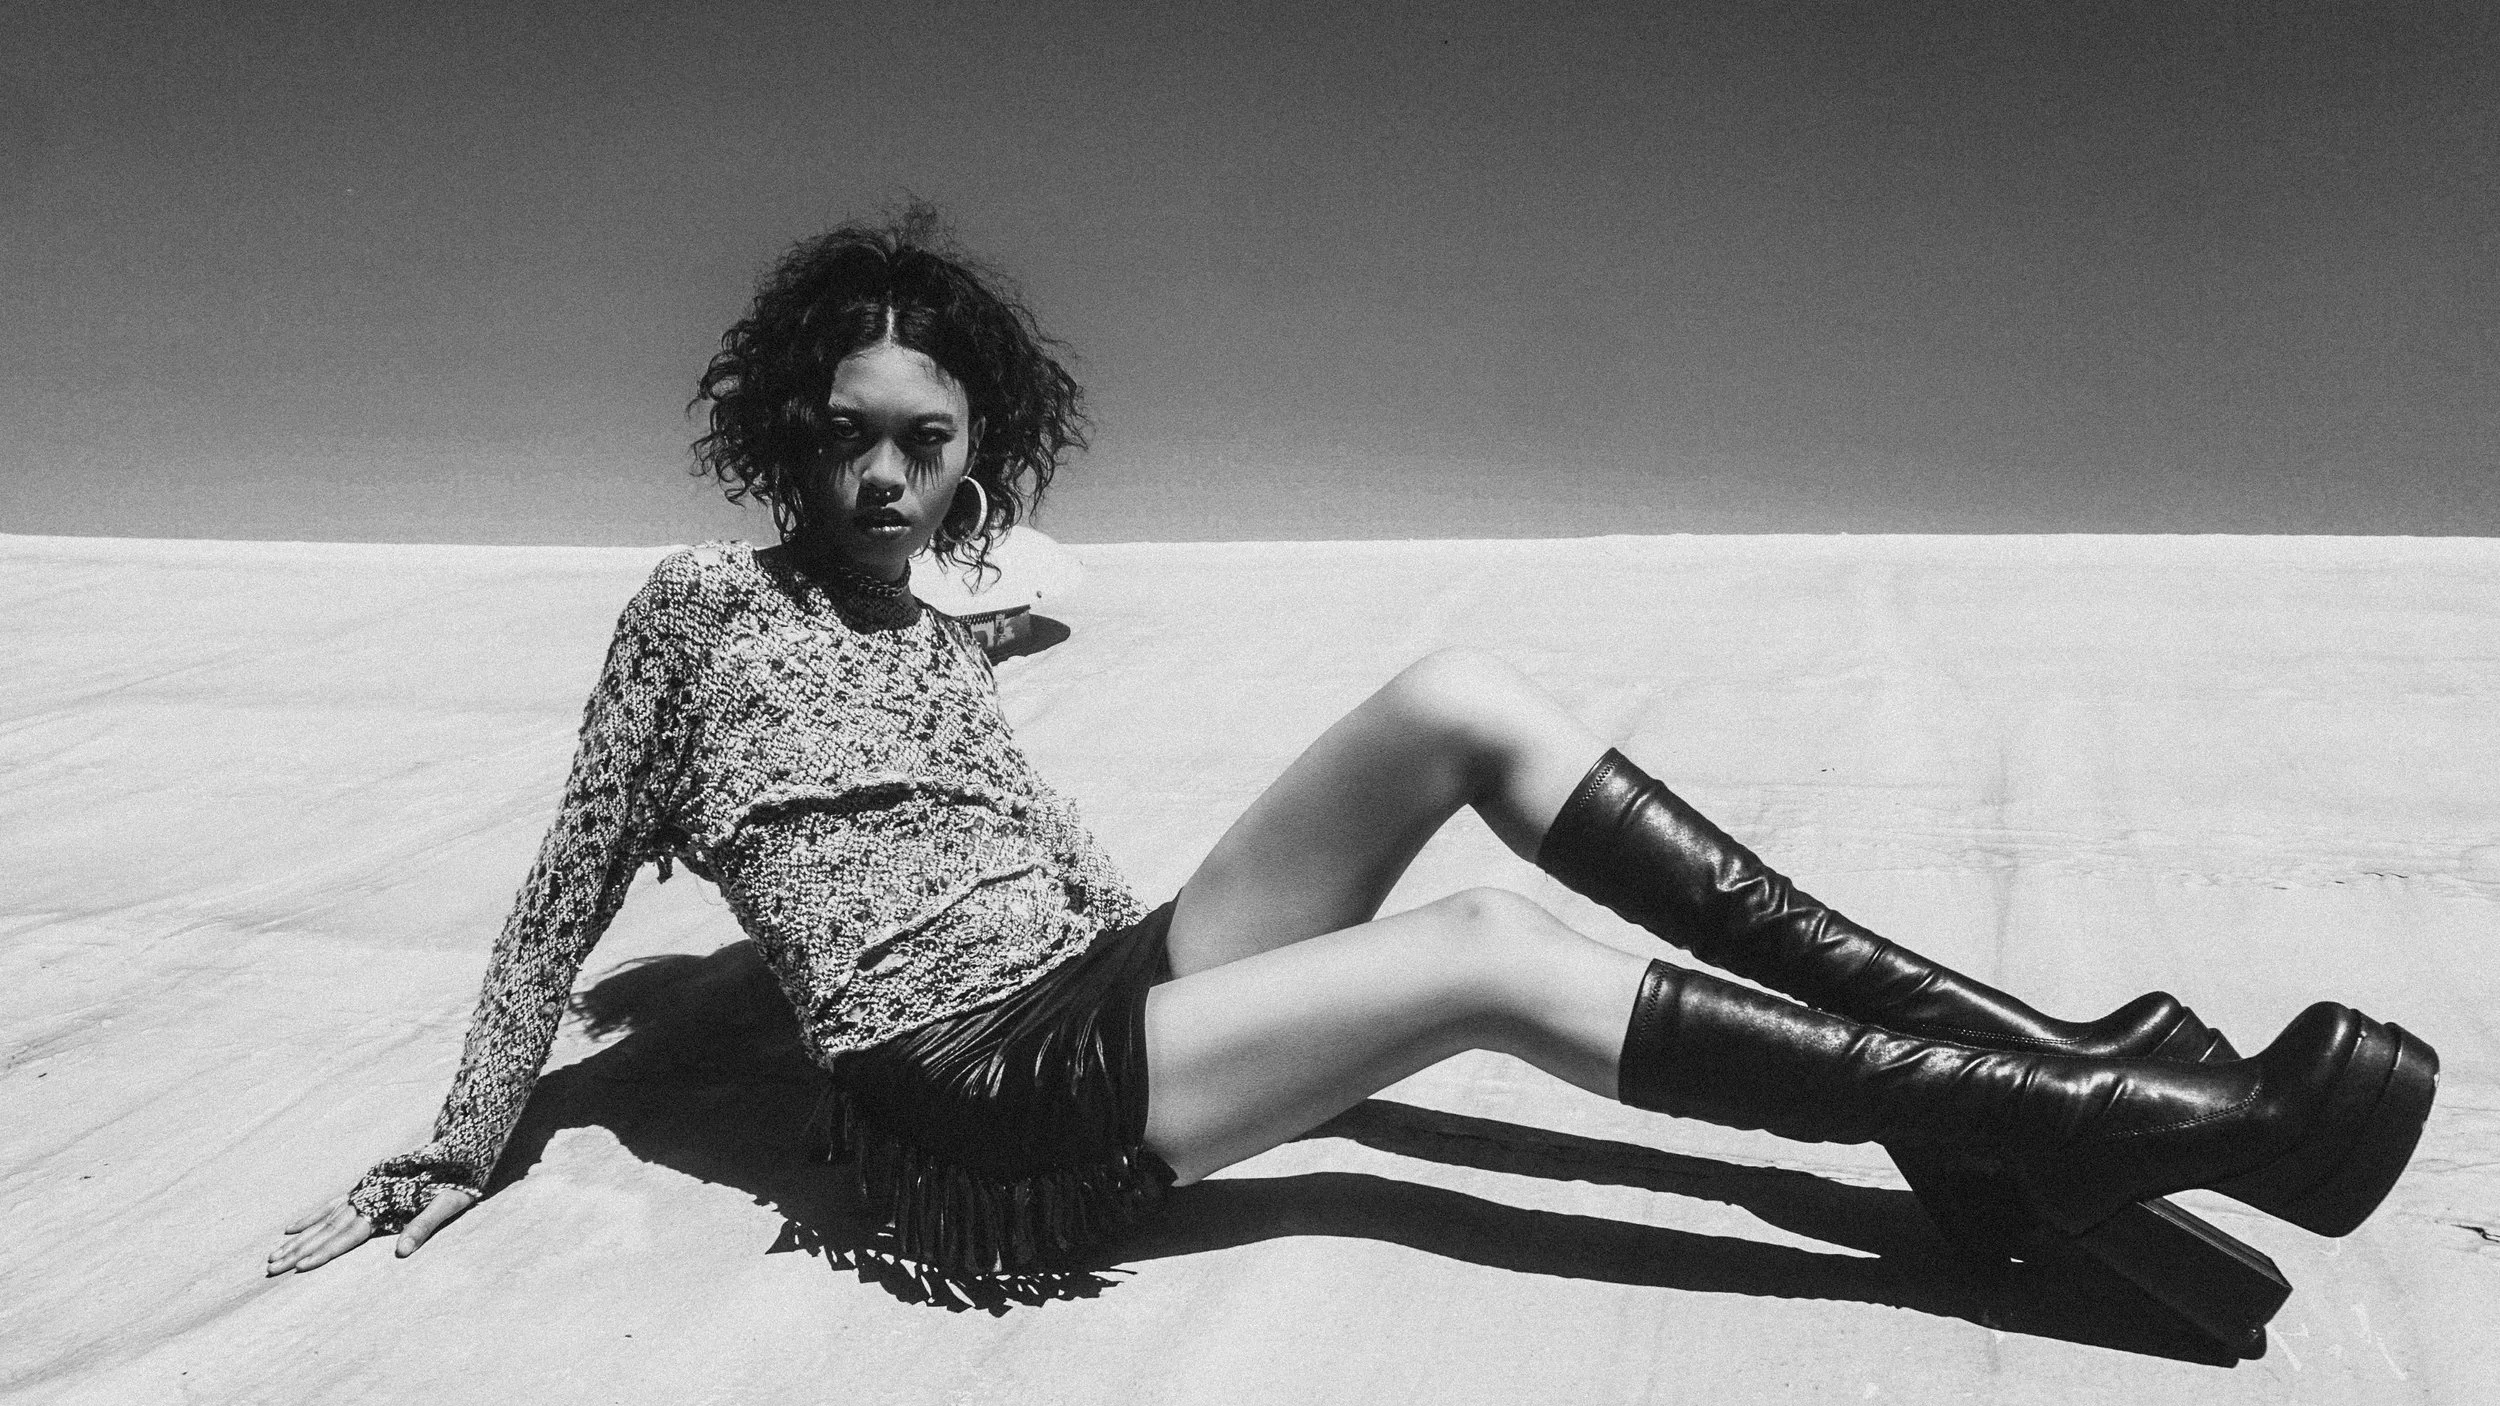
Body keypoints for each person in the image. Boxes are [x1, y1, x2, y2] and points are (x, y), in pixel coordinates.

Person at [267, 209, 2438, 1284]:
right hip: (973, 1114)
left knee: (1453, 701)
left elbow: (1038, 847)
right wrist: (471, 1130)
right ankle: (2144, 1113)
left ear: (973, 451)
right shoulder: (688, 618)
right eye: (839, 438)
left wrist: (1203, 963)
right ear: (780, 435)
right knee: (1481, 950)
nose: (876, 476)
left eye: (920, 442)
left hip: (1095, 995)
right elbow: (561, 888)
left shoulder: (946, 633)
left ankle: (2001, 1088)